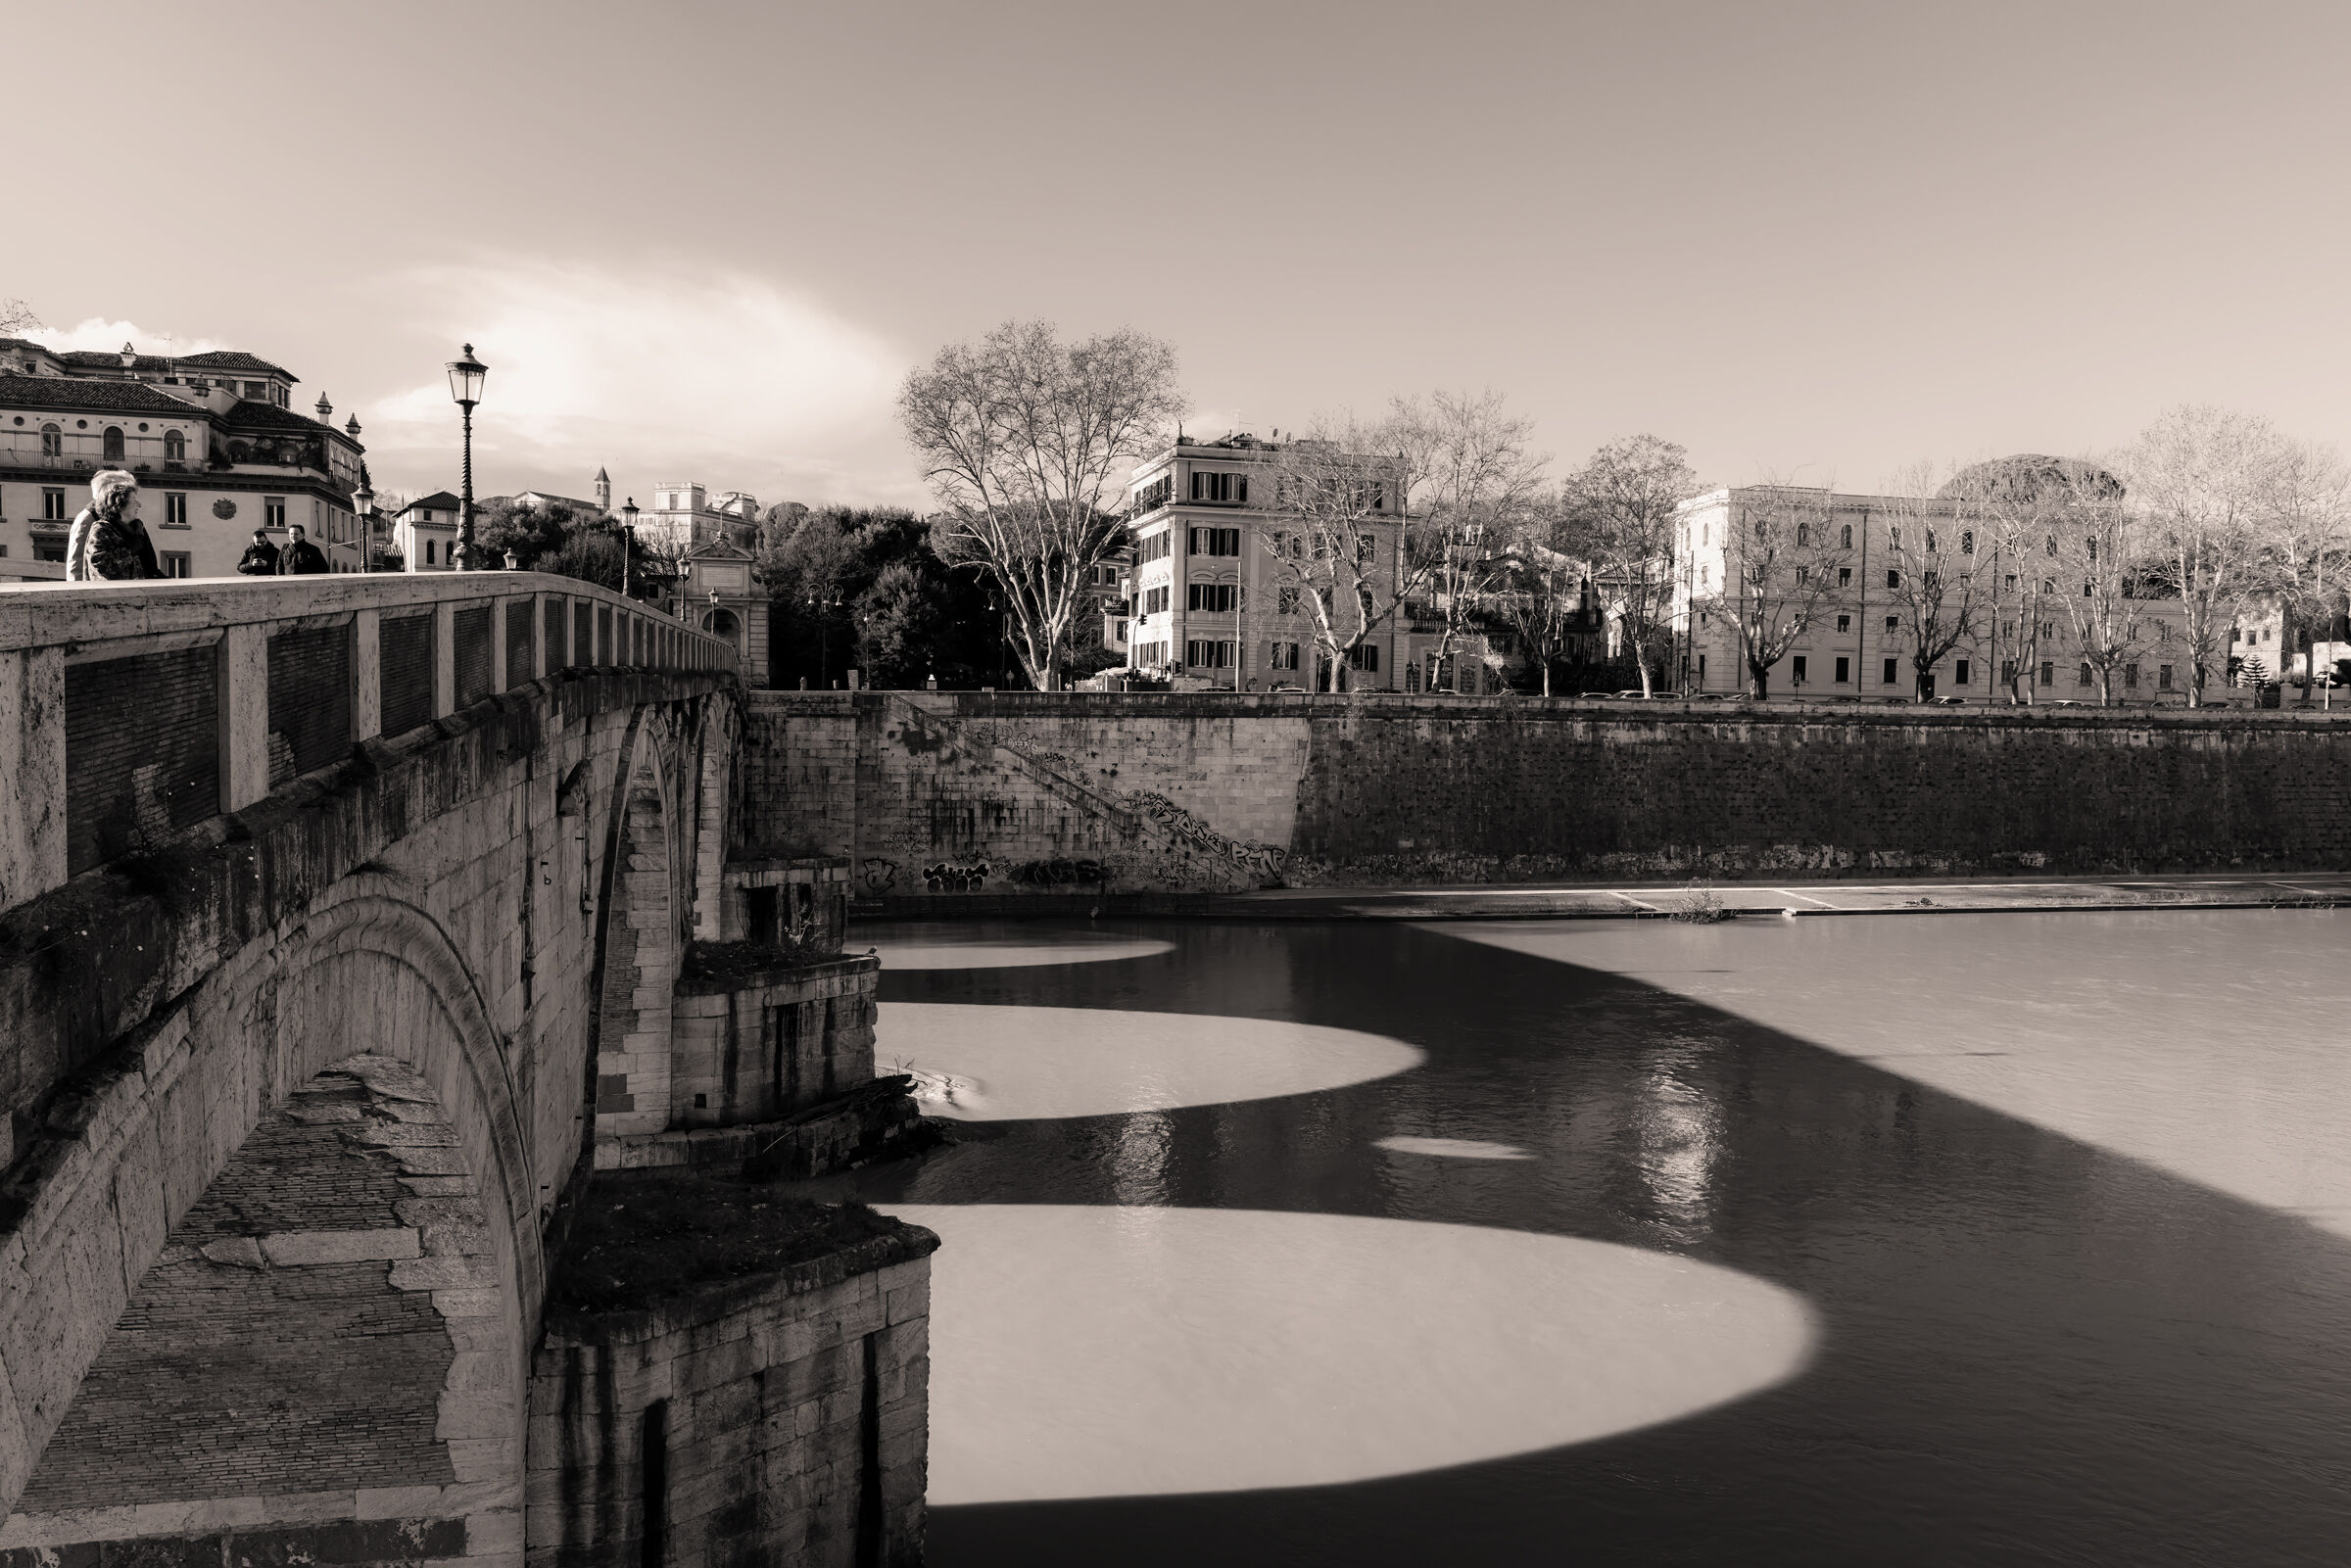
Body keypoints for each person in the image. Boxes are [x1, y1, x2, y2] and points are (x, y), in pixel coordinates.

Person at [66, 470, 160, 581]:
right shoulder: (89, 520)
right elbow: (77, 564)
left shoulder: (134, 524)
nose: (138, 504)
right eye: (123, 486)